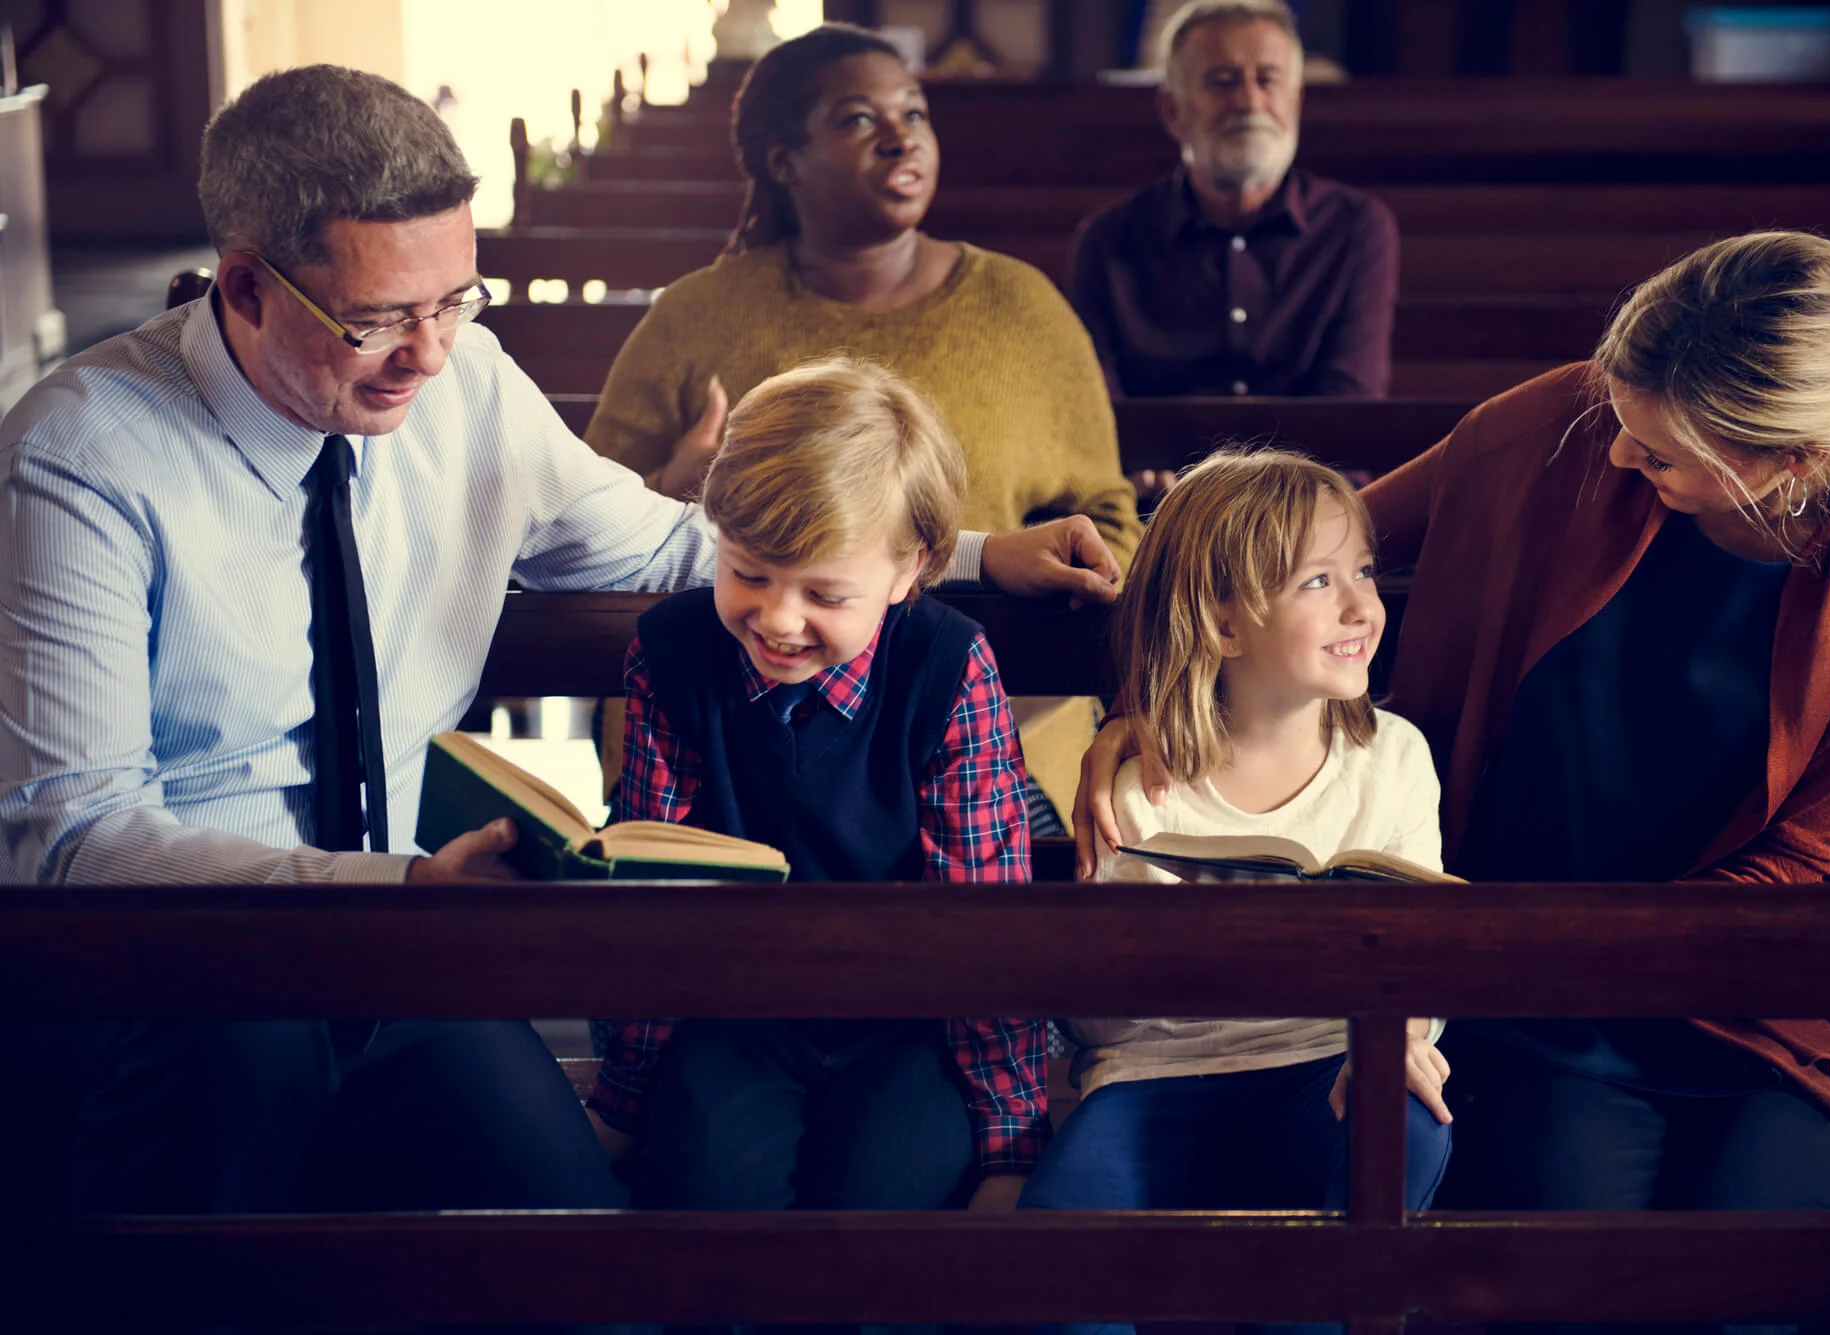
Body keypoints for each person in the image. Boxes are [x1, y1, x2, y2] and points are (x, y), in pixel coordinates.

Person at [0, 65, 1114, 1224]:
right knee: (236, 1243)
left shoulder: (465, 389)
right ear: (244, 285)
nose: (428, 357)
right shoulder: (83, 458)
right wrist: (401, 887)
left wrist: (975, 557)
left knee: (590, 1255)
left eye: (454, 302)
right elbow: (72, 839)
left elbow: (684, 548)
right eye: (380, 320)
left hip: (406, 970)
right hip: (186, 984)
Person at [1073, 231, 1830, 1235]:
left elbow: (1798, 851)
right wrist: (1148, 707)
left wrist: (1599, 951)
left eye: (1656, 454)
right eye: (1619, 416)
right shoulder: (1567, 416)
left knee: (1762, 1244)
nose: (1613, 453)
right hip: (1521, 959)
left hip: (1761, 972)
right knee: (1566, 1252)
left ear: (1793, 460)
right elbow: (1260, 571)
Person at [582, 22, 1138, 831]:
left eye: (912, 113)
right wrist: (675, 487)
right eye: (856, 119)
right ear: (784, 160)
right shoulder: (695, 317)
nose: (899, 137)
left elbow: (1107, 521)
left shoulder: (1023, 310)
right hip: (727, 742)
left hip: (996, 728)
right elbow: (597, 525)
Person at [587, 357, 1046, 1216]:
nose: (778, 618)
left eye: (824, 592)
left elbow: (985, 926)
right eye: (747, 572)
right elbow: (649, 897)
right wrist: (626, 1092)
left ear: (909, 571)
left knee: (882, 1206)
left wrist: (1009, 1142)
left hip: (908, 1028)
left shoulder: (949, 670)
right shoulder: (672, 656)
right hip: (734, 1017)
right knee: (708, 1195)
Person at [1017, 451, 1451, 1332]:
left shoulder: (1395, 757)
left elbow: (1427, 950)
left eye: (1362, 570)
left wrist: (1402, 1032)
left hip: (1325, 1068)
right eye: (1318, 581)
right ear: (1223, 626)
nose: (1363, 606)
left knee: (1411, 1120)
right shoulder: (1138, 784)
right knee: (1058, 1250)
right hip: (1158, 1082)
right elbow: (1099, 1021)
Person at [1068, 0, 1398, 402]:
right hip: (1157, 467)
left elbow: (1351, 404)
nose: (1249, 102)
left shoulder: (1356, 228)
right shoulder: (1107, 242)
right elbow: (1098, 413)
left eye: (1267, 79)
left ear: (1295, 101)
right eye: (1222, 82)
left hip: (1309, 466)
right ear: (1173, 110)